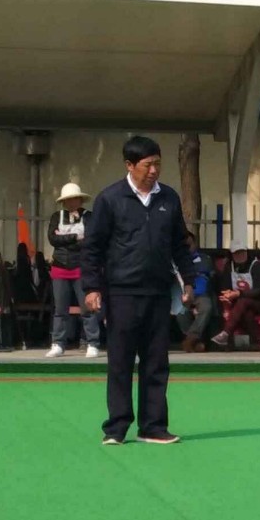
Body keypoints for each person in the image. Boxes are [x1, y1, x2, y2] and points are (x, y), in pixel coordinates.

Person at [81, 135, 195, 445]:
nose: (154, 170)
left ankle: (153, 426)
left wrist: (188, 280)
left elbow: (180, 245)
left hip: (158, 292)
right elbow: (93, 248)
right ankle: (116, 428)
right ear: (130, 165)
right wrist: (91, 287)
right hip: (122, 293)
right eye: (148, 165)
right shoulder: (110, 199)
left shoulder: (169, 198)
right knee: (120, 362)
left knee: (156, 362)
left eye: (158, 164)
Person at [46, 183, 101, 358]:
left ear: (80, 200)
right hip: (59, 267)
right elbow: (52, 239)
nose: (71, 203)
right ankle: (58, 343)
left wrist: (65, 239)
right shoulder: (57, 216)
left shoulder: (89, 217)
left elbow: (90, 240)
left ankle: (92, 342)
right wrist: (76, 237)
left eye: (74, 199)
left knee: (87, 308)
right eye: (67, 200)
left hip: (81, 267)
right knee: (60, 309)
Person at [212, 247, 260, 351]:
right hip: (240, 305)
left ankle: (226, 332)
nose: (240, 255)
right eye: (236, 253)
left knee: (243, 301)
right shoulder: (229, 266)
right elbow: (225, 287)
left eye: (242, 252)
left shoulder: (256, 266)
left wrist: (239, 293)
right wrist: (227, 295)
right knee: (247, 314)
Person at [177, 232, 216, 351]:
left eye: (189, 245)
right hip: (183, 294)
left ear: (195, 244)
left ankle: (190, 338)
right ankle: (195, 342)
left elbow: (204, 272)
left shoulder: (204, 259)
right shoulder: (176, 260)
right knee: (180, 312)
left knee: (206, 307)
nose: (187, 248)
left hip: (201, 295)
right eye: (184, 246)